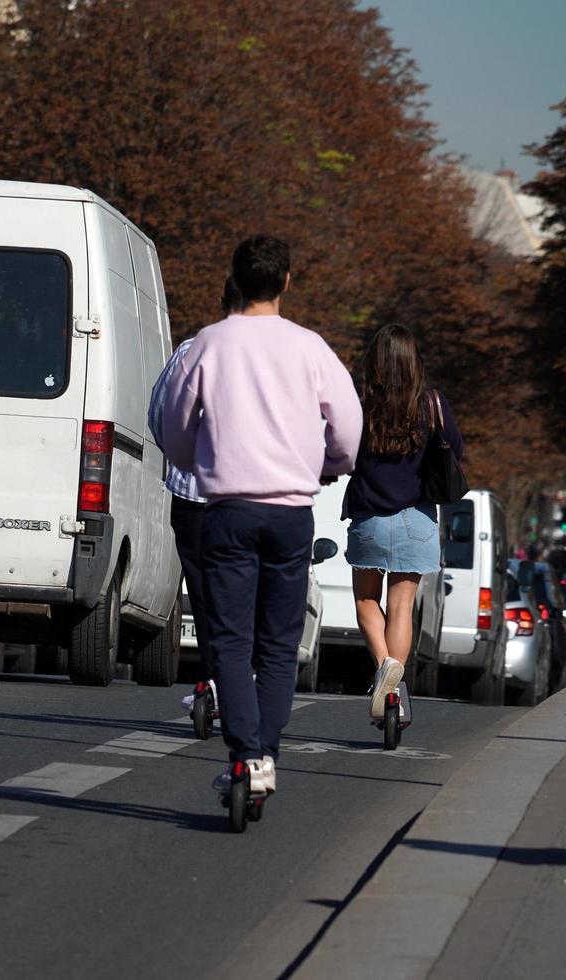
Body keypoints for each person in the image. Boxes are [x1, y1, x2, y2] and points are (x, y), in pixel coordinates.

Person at [162, 236, 362, 799]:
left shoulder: (209, 344)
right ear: (287, 281)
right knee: (278, 643)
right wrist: (330, 465)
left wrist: (193, 459)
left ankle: (245, 755)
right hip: (293, 513)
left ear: (235, 276)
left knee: (227, 641)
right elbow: (348, 424)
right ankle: (266, 755)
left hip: (227, 509)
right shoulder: (311, 348)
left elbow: (174, 425)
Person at [341, 324, 464, 718]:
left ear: (374, 363)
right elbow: (456, 449)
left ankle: (384, 668)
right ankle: (393, 693)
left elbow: (340, 452)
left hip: (370, 519)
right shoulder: (431, 404)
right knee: (402, 607)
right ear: (414, 363)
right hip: (417, 520)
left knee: (365, 600)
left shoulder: (359, 405)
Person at [148, 278, 244, 712]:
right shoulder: (280, 357)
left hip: (194, 497)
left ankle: (212, 678)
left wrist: (181, 458)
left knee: (204, 594)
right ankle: (241, 676)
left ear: (221, 302)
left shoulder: (191, 352)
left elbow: (158, 415)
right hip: (251, 496)